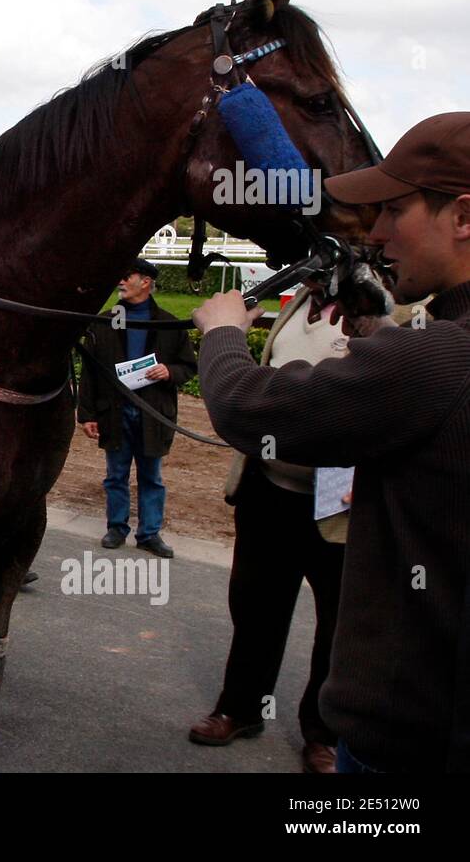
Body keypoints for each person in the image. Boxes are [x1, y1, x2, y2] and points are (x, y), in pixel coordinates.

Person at [194, 111, 470, 773]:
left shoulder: (434, 355)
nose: (374, 234)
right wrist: (380, 334)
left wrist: (224, 332)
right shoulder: (429, 353)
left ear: (462, 215)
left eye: (393, 210)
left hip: (406, 741)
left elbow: (244, 405)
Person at [189, 283, 350, 772]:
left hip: (337, 495)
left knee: (338, 625)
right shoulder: (299, 299)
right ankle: (241, 708)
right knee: (256, 607)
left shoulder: (394, 309)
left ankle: (325, 735)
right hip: (268, 483)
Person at [76, 256, 197, 559]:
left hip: (152, 412)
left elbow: (188, 367)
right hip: (114, 411)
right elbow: (89, 372)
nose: (120, 281)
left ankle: (149, 534)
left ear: (145, 282)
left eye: (126, 276)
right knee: (115, 475)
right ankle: (117, 527)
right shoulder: (103, 322)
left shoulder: (170, 324)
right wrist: (86, 415)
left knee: (151, 476)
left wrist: (169, 372)